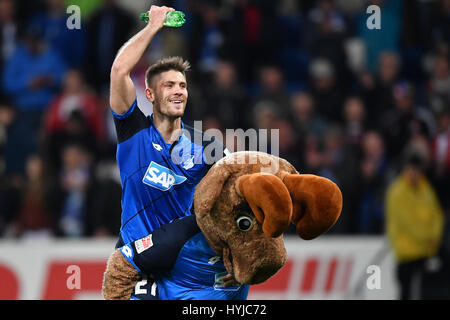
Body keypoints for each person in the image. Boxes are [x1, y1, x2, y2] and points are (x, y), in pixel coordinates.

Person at [105, 5, 231, 299]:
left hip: (185, 263)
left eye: (183, 85)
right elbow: (118, 70)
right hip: (137, 262)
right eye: (169, 85)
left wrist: (234, 251)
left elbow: (233, 196)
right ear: (149, 95)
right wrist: (153, 27)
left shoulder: (208, 145)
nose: (178, 91)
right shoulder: (133, 132)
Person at [385, 151, 445, 300]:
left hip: (425, 251)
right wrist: (428, 237)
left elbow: (436, 215)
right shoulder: (397, 192)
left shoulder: (425, 188)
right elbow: (407, 223)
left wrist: (435, 236)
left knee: (425, 292)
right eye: (410, 169)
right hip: (407, 253)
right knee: (407, 292)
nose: (413, 174)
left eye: (416, 170)